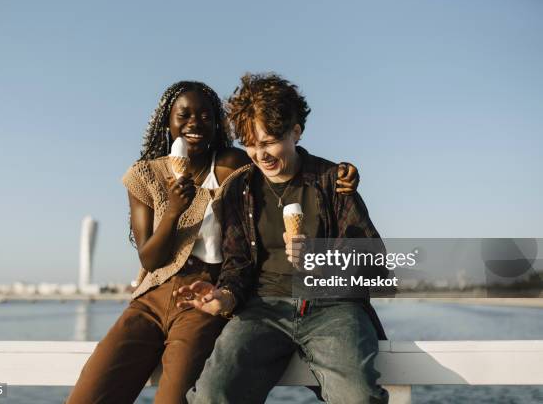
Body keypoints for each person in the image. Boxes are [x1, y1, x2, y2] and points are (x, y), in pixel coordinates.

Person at [66, 80, 360, 404]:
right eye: (184, 115)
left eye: (206, 116)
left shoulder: (237, 166)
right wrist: (174, 211)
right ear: (167, 121)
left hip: (205, 294)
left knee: (178, 398)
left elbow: (284, 156)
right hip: (154, 293)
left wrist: (338, 174)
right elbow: (150, 259)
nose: (194, 123)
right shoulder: (145, 175)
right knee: (90, 394)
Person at [177, 73, 389, 404]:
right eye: (251, 144)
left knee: (358, 398)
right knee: (210, 395)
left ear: (296, 131)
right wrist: (226, 296)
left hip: (334, 308)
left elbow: (376, 265)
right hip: (262, 309)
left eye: (270, 141)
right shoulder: (239, 189)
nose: (261, 155)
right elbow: (239, 264)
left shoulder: (334, 181)